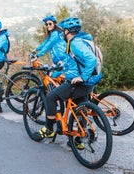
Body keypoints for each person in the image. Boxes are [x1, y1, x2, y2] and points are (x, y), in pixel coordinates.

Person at [38, 17, 97, 149]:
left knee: (50, 97)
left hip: (78, 83)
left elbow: (91, 59)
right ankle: (77, 140)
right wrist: (59, 70)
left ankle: (48, 128)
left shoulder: (75, 43)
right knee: (79, 110)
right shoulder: (77, 42)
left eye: (63, 31)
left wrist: (83, 77)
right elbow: (71, 63)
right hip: (87, 85)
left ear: (66, 31)